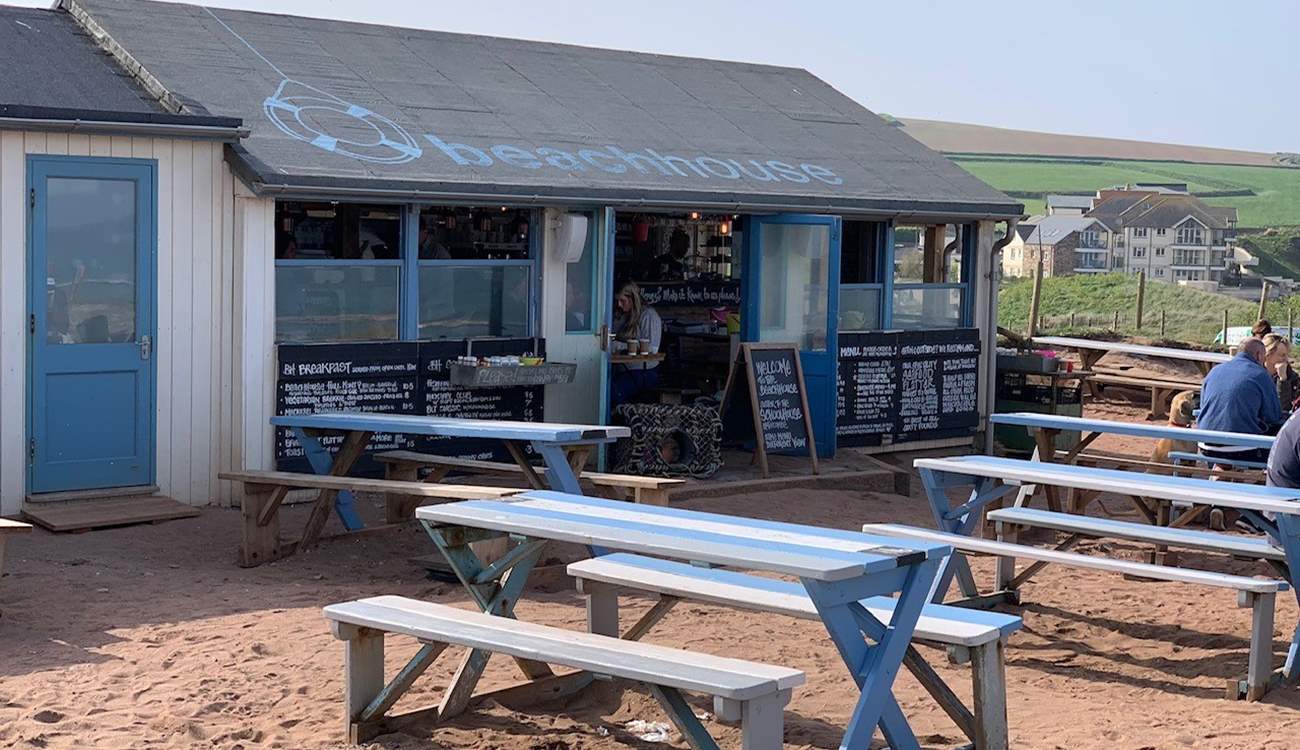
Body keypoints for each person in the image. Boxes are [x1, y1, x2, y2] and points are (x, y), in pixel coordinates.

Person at [1197, 337, 1283, 465]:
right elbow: (1273, 416)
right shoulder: (1260, 374)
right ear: (1259, 355)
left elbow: (1203, 405)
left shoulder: (1215, 371)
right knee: (1282, 435)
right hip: (1242, 449)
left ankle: (1222, 472)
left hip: (1205, 446)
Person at [610, 281, 663, 410]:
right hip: (623, 369)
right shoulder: (623, 317)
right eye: (618, 301)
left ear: (633, 299)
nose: (619, 305)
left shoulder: (649, 316)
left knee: (613, 391)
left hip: (643, 371)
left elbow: (652, 348)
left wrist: (621, 346)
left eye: (623, 301)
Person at [1262, 332, 1300, 412]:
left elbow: (1282, 409)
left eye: (1287, 355)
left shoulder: (1293, 377)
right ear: (1267, 355)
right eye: (1282, 355)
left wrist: (1283, 380)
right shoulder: (1255, 375)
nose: (1286, 359)